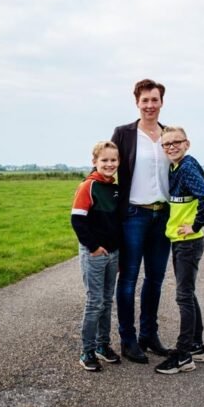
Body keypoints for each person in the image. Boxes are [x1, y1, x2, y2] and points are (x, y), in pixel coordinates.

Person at [111, 78, 172, 364]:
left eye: (155, 100)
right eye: (145, 100)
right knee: (129, 279)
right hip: (134, 215)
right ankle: (128, 339)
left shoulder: (170, 134)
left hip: (163, 216)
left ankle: (149, 335)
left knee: (156, 279)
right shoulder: (124, 134)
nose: (150, 105)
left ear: (162, 102)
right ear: (137, 103)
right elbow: (107, 167)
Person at [154, 126, 204, 374]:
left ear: (187, 144)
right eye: (166, 144)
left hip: (188, 243)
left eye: (176, 142)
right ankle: (198, 346)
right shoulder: (175, 167)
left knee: (183, 297)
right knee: (188, 294)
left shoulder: (187, 167)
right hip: (181, 242)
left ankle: (183, 356)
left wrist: (196, 224)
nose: (171, 147)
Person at [70, 141, 123, 372]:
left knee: (107, 301)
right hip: (94, 253)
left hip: (113, 254)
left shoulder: (115, 188)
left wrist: (118, 253)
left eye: (113, 160)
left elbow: (117, 224)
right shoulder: (88, 187)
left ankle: (103, 345)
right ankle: (87, 351)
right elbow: (77, 220)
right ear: (95, 162)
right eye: (104, 160)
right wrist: (93, 247)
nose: (109, 164)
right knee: (95, 302)